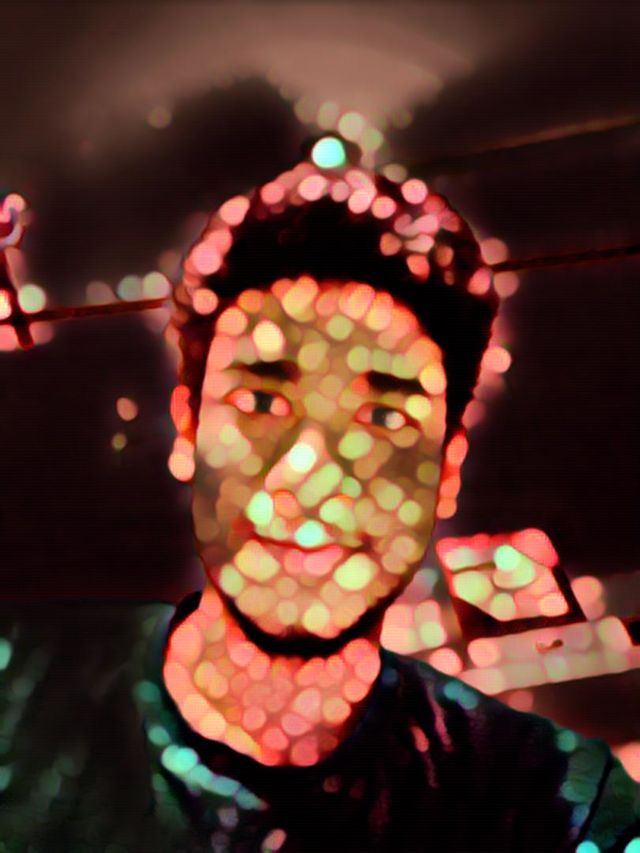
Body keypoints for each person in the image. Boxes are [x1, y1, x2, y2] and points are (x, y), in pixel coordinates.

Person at [1, 138, 638, 852]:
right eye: (261, 401)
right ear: (188, 430)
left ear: (446, 470)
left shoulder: (548, 795)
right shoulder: (14, 700)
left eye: (384, 417)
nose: (310, 475)